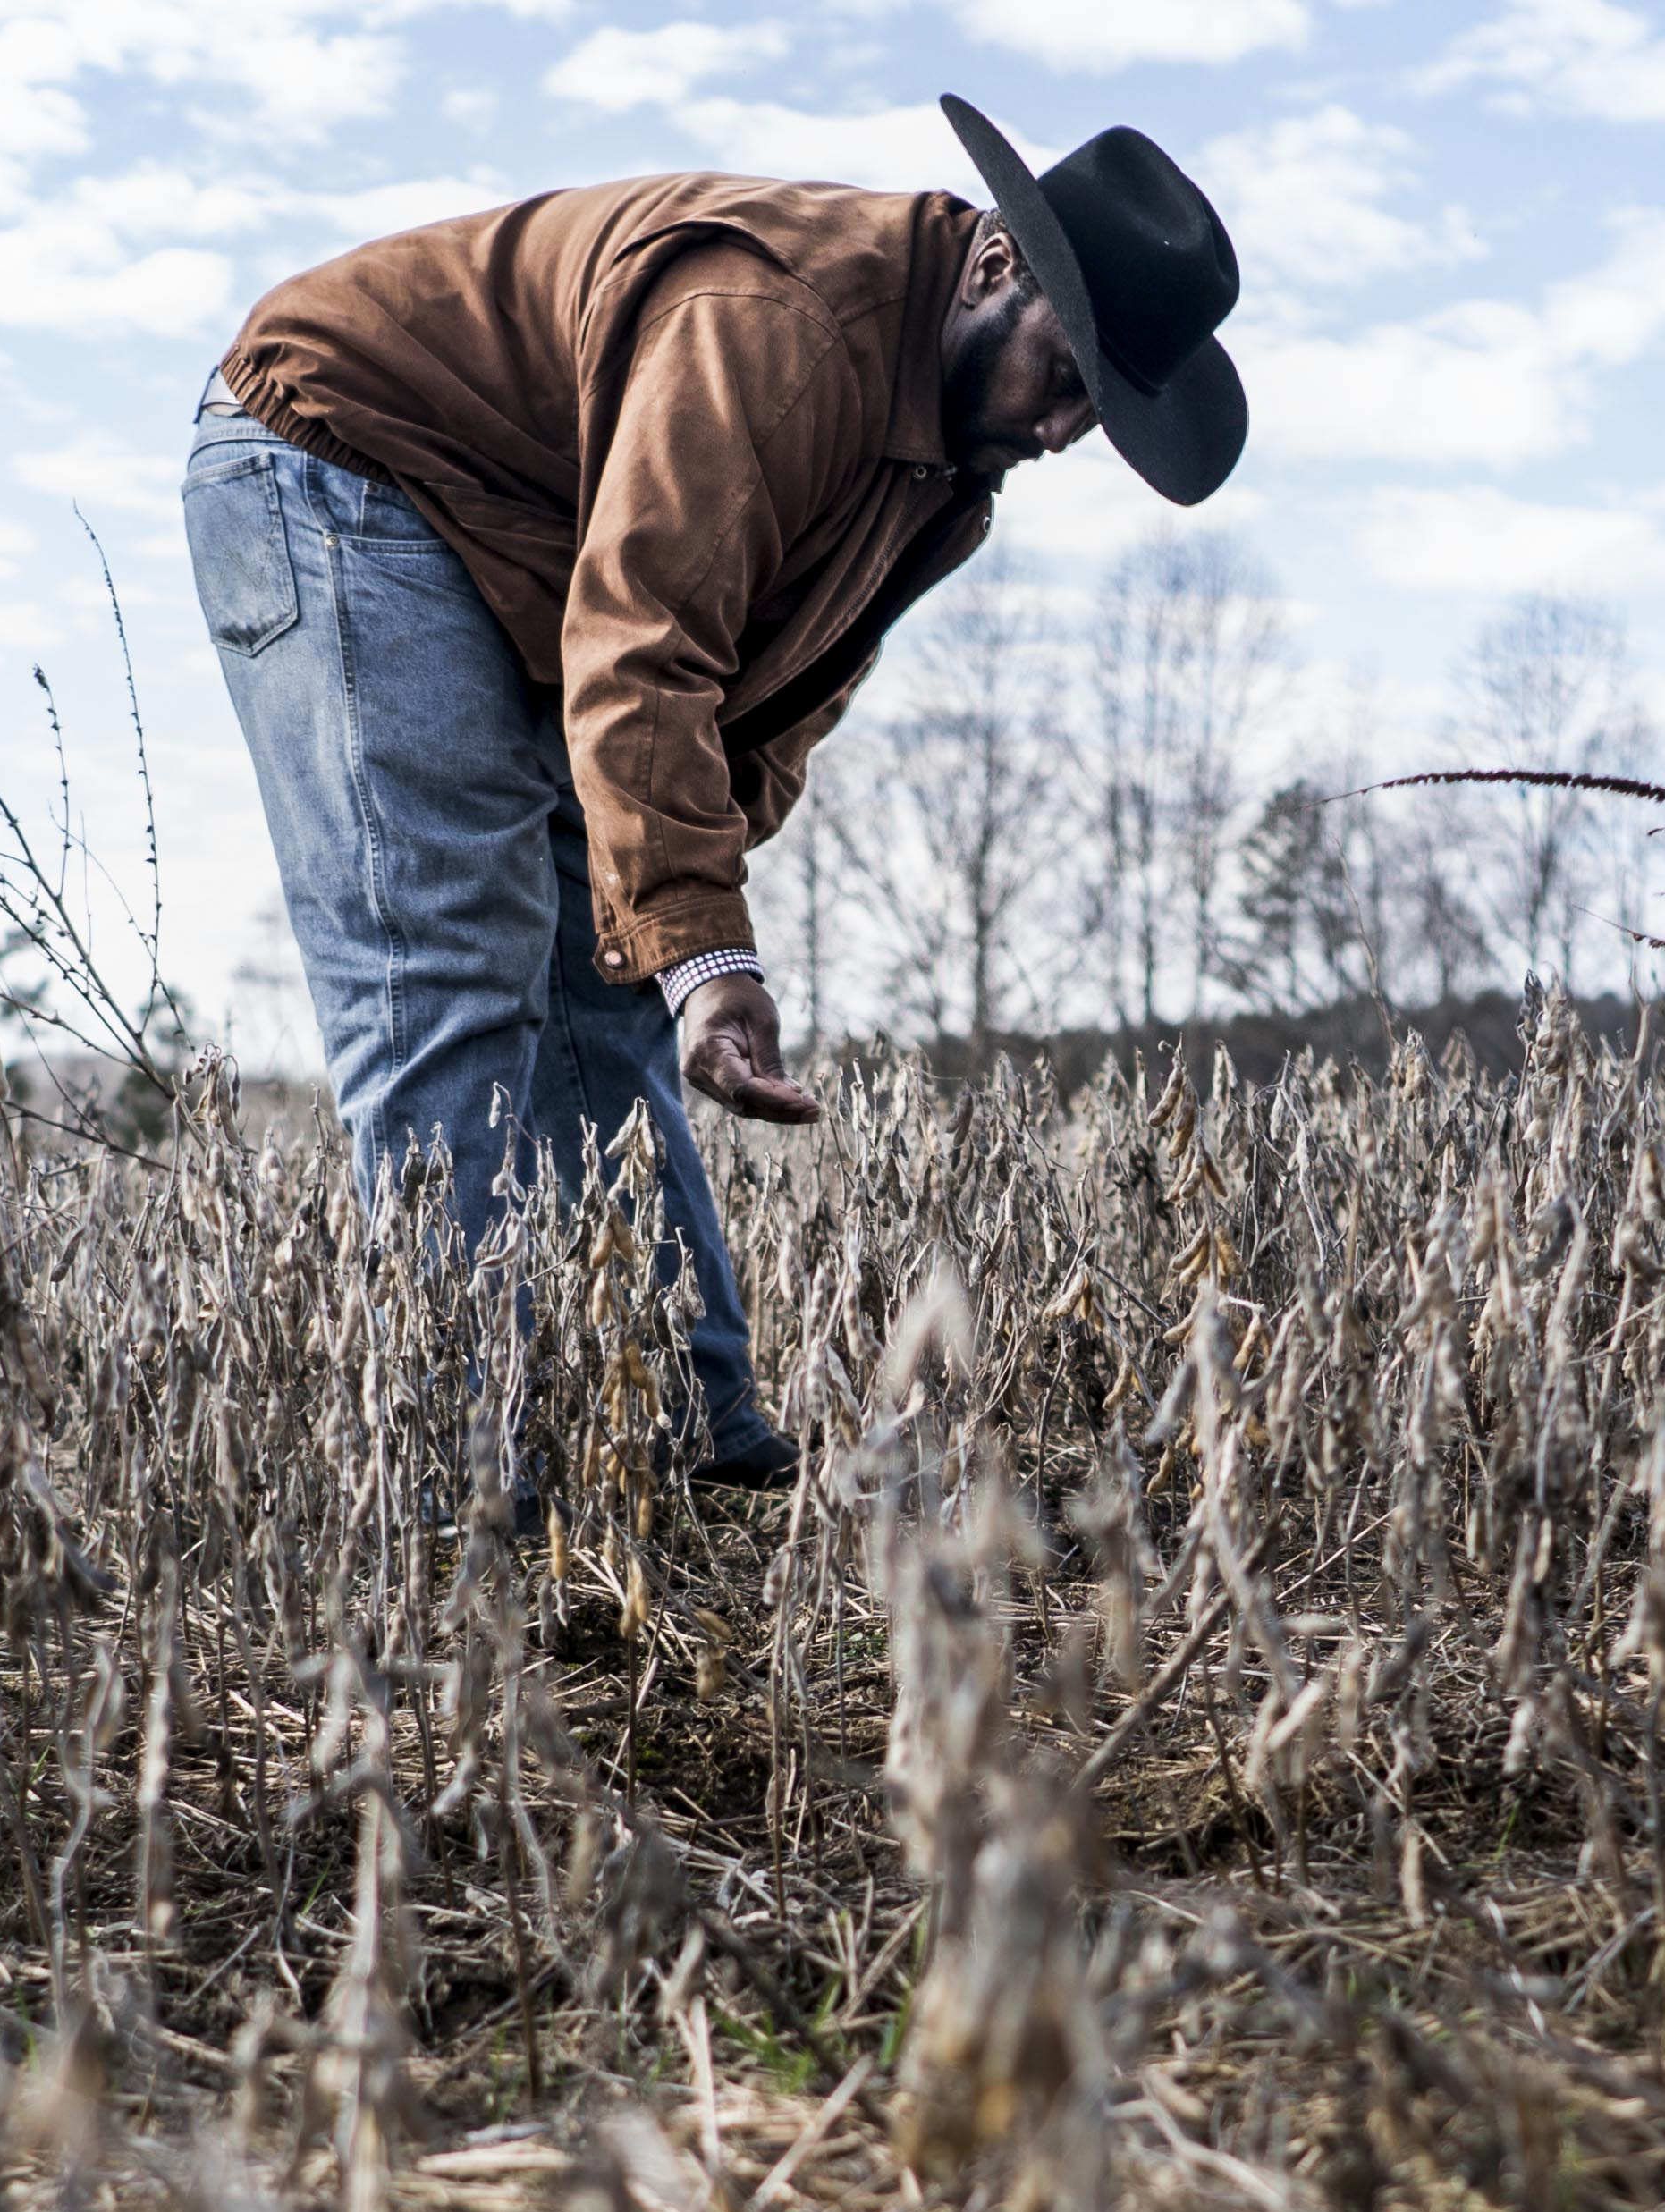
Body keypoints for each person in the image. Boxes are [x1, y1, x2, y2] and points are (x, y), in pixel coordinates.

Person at [185, 99, 1247, 1491]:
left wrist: (687, 948)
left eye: (1095, 418)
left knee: (610, 977)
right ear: (996, 268)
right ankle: (457, 1490)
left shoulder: (942, 476)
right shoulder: (782, 327)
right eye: (1064, 376)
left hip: (531, 554)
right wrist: (706, 946)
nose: (1059, 430)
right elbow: (645, 641)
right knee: (449, 964)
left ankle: (697, 1434)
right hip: (344, 463)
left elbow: (767, 709)